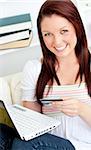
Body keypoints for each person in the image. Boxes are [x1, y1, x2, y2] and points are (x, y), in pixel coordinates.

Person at [0, 0, 90, 149]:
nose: (57, 42)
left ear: (77, 28)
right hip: (44, 143)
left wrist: (81, 108)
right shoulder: (34, 68)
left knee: (27, 144)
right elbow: (32, 124)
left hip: (80, 145)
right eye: (48, 34)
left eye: (64, 31)